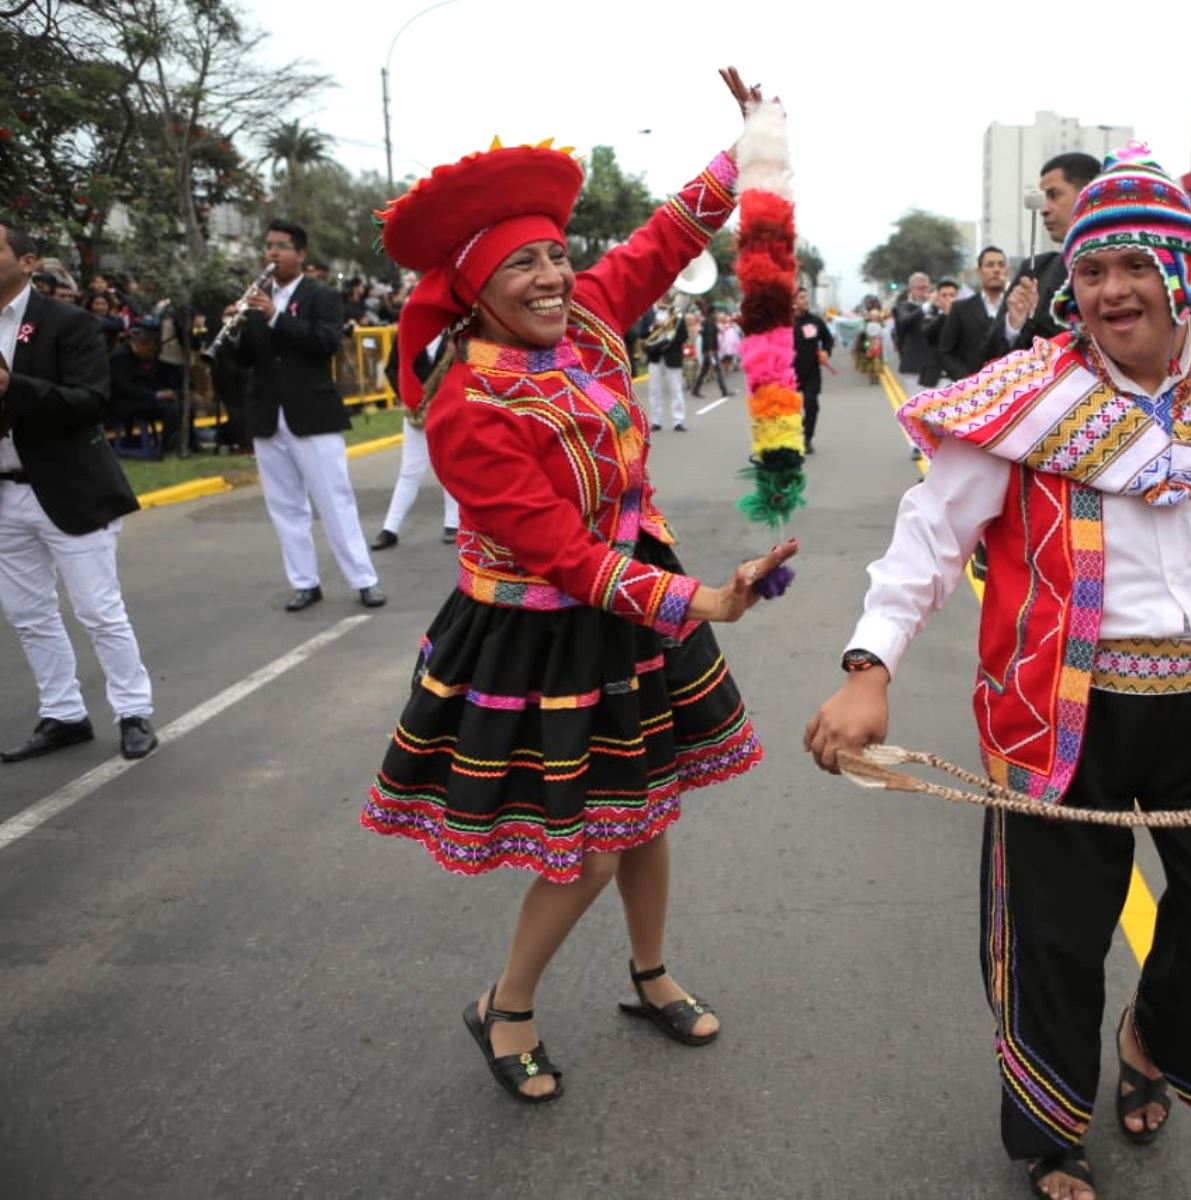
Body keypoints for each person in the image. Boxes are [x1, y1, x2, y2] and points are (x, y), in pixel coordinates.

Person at [804, 146, 1191, 1200]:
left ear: (1181, 270)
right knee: (1052, 941)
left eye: (1134, 265)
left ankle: (1148, 1044)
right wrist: (870, 663)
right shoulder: (1026, 403)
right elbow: (928, 539)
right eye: (1090, 272)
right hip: (1058, 719)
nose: (1111, 291)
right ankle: (1049, 1138)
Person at [361, 69, 799, 1105]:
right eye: (525, 263)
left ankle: (648, 974)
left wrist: (752, 145)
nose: (556, 276)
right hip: (544, 633)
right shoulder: (466, 404)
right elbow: (559, 551)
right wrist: (702, 603)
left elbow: (667, 236)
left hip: (631, 605)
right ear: (476, 286)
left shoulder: (591, 316)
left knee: (648, 814)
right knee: (586, 851)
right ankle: (505, 1004)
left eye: (558, 253)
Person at [0, 221, 159, 763]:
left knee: (98, 609)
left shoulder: (68, 323)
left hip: (68, 489)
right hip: (5, 496)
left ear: (27, 262)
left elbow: (90, 402)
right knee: (28, 614)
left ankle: (134, 711)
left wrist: (12, 387)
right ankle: (63, 713)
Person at [230, 219, 386, 611]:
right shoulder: (257, 296)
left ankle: (364, 580)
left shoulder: (321, 295)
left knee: (334, 500)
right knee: (284, 506)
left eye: (281, 246)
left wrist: (275, 317)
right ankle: (304, 582)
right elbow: (247, 358)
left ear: (300, 254)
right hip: (268, 412)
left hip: (312, 412)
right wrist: (233, 329)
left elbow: (325, 343)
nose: (272, 253)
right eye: (268, 245)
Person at [986, 152, 1104, 363]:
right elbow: (992, 352)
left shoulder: (1127, 272)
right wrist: (1014, 325)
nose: (1044, 209)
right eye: (1042, 197)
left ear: (1089, 196)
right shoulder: (1035, 272)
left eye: (1054, 195)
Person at [369, 302, 458, 551]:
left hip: (448, 410)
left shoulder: (458, 332)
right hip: (416, 410)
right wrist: (408, 395)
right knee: (410, 471)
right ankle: (390, 528)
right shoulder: (408, 332)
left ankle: (453, 523)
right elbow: (392, 367)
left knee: (451, 468)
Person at [936, 245, 1009, 381]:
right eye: (990, 265)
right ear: (979, 271)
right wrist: (966, 380)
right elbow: (945, 352)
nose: (996, 270)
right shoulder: (960, 309)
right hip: (972, 391)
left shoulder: (1016, 307)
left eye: (1001, 265)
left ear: (1007, 271)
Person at [108, 322, 182, 452]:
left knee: (182, 406)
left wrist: (164, 392)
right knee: (170, 410)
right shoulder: (119, 358)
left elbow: (152, 379)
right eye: (148, 352)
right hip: (125, 402)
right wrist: (155, 395)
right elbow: (124, 387)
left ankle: (184, 443)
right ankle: (167, 448)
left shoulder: (146, 358)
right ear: (139, 345)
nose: (150, 355)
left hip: (145, 397)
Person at [636, 293, 687, 431]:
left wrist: (669, 343)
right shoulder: (648, 313)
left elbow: (684, 335)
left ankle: (678, 421)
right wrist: (652, 328)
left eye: (665, 296)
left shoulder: (676, 314)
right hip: (655, 356)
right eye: (661, 296)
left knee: (676, 389)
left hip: (672, 355)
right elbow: (641, 333)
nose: (663, 298)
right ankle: (656, 421)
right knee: (654, 390)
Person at [792, 285, 833, 454]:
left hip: (811, 372)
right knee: (789, 409)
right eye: (801, 297)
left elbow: (828, 340)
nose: (806, 300)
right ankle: (792, 435)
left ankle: (807, 438)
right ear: (792, 301)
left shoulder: (815, 321)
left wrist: (825, 351)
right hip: (788, 373)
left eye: (806, 297)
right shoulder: (784, 322)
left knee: (811, 405)